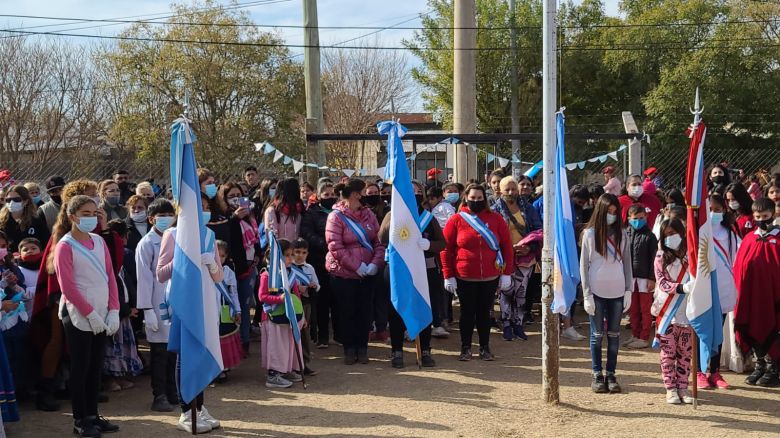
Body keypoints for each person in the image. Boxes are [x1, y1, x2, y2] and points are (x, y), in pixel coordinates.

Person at [156, 194, 223, 434]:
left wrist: (212, 265)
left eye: (206, 207)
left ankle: (200, 407)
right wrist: (183, 260)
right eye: (199, 207)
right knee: (186, 355)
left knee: (202, 352)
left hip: (206, 302)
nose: (203, 212)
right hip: (183, 302)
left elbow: (219, 277)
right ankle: (186, 411)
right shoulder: (172, 235)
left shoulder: (209, 234)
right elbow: (161, 274)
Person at [54, 195, 121, 437]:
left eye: (94, 212)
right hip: (78, 314)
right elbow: (68, 287)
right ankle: (80, 419)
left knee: (95, 367)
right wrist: (90, 314)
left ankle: (93, 415)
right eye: (85, 213)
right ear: (73, 217)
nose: (91, 218)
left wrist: (113, 309)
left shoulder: (99, 241)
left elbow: (110, 275)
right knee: (80, 368)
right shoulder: (65, 245)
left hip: (102, 311)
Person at [441, 183, 513, 361]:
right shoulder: (456, 220)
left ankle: (484, 347)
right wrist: (448, 275)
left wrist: (507, 273)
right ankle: (465, 347)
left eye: (479, 198)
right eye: (473, 198)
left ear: (484, 199)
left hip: (490, 275)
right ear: (466, 198)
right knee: (467, 313)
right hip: (464, 276)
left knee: (484, 313)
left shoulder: (496, 219)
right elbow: (446, 249)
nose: (476, 201)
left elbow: (507, 247)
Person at [378, 181, 443, 368]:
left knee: (422, 308)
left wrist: (429, 245)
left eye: (416, 192)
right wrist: (393, 217)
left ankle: (425, 350)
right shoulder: (392, 215)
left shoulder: (428, 219)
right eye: (408, 191)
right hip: (398, 271)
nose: (412, 195)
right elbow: (381, 238)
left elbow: (442, 243)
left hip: (424, 270)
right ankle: (396, 351)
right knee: (397, 310)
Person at [325, 178, 385, 364]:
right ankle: (349, 348)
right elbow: (335, 247)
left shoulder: (369, 215)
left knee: (364, 312)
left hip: (368, 274)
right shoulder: (335, 217)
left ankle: (362, 347)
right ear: (355, 195)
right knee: (347, 312)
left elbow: (379, 242)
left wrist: (375, 264)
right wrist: (356, 266)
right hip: (344, 274)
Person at [580, 194, 632, 393]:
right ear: (601, 212)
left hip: (617, 291)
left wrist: (629, 289)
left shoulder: (623, 233)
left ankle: (611, 373)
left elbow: (627, 263)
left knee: (614, 334)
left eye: (615, 212)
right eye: (608, 212)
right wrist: (586, 294)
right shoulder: (590, 234)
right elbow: (583, 266)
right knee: (596, 335)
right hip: (596, 291)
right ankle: (596, 373)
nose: (612, 215)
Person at [135, 198, 178, 412]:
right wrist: (147, 309)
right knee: (160, 352)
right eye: (161, 216)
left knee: (173, 352)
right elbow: (143, 278)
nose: (166, 220)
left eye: (170, 215)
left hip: (175, 302)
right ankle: (159, 395)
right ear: (151, 219)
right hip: (156, 303)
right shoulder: (146, 243)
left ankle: (172, 390)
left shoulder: (177, 237)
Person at [734, 197, 780, 387]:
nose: (762, 219)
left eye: (766, 216)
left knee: (772, 326)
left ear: (773, 214)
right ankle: (759, 365)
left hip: (773, 296)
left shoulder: (778, 239)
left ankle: (773, 367)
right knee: (751, 325)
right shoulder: (749, 239)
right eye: (758, 216)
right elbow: (739, 267)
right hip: (750, 296)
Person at [492, 176, 541, 342]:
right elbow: (491, 235)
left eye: (514, 188)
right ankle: (506, 324)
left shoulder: (528, 209)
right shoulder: (494, 211)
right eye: (507, 189)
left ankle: (518, 324)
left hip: (525, 258)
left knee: (521, 292)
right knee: (506, 291)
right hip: (503, 258)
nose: (511, 192)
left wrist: (529, 247)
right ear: (500, 191)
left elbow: (538, 230)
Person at [652, 217, 694, 404]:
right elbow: (661, 282)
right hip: (667, 312)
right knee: (668, 353)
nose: (671, 237)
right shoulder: (661, 256)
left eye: (673, 233)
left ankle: (683, 387)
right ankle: (670, 388)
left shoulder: (691, 255)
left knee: (685, 354)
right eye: (666, 235)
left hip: (687, 313)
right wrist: (680, 288)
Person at [702, 193, 740, 387]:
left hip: (723, 288)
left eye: (717, 210)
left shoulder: (730, 233)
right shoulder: (699, 232)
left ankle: (714, 372)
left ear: (724, 211)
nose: (713, 213)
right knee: (703, 332)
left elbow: (737, 259)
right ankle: (700, 370)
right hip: (703, 289)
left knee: (718, 333)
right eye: (709, 210)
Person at [258, 238, 305, 388]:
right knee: (277, 346)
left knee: (289, 344)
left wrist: (301, 315)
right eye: (287, 255)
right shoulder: (267, 275)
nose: (291, 258)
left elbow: (296, 295)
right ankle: (273, 374)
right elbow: (262, 296)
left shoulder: (290, 274)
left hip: (289, 317)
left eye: (292, 255)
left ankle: (286, 369)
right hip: (274, 317)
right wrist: (279, 298)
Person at [103, 219, 143, 392]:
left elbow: (130, 285)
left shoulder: (123, 259)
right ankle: (109, 378)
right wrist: (125, 309)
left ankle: (121, 375)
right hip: (113, 312)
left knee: (123, 346)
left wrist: (133, 306)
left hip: (125, 310)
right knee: (111, 347)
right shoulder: (109, 263)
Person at [219, 182, 260, 354]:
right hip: (230, 268)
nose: (236, 199)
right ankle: (230, 343)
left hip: (248, 267)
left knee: (244, 306)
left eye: (239, 195)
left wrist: (258, 253)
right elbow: (229, 239)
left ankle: (244, 342)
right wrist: (235, 219)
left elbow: (255, 238)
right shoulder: (223, 218)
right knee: (229, 306)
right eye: (231, 196)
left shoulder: (249, 216)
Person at [300, 182, 338, 349]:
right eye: (326, 195)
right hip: (319, 260)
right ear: (319, 196)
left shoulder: (339, 211)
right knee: (321, 301)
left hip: (338, 260)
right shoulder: (312, 213)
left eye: (332, 194)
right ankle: (322, 336)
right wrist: (326, 244)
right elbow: (307, 233)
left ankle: (339, 334)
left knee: (337, 299)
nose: (330, 198)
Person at [0, 231, 30, 401]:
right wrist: (2, 284)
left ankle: (20, 389)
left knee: (19, 355)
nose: (1, 250)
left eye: (3, 246)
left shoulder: (12, 267)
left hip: (17, 318)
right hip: (3, 320)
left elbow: (24, 292)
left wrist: (14, 284)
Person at [624, 204, 658, 349]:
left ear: (646, 217)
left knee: (645, 309)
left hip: (645, 278)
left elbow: (654, 259)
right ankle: (635, 334)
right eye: (635, 218)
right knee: (633, 309)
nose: (638, 221)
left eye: (641, 218)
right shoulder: (625, 234)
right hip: (631, 277)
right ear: (629, 218)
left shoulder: (650, 236)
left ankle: (644, 337)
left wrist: (652, 278)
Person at [214, 240, 243, 382]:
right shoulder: (203, 271)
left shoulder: (228, 272)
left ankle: (223, 368)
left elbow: (234, 293)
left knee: (224, 338)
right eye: (216, 255)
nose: (219, 259)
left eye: (222, 256)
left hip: (225, 310)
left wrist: (237, 310)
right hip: (210, 311)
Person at [291, 238, 319, 376]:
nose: (300, 255)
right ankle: (293, 363)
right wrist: (297, 288)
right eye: (297, 252)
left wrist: (313, 286)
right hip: (293, 303)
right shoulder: (288, 268)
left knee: (305, 334)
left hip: (306, 304)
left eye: (303, 252)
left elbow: (317, 285)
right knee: (292, 333)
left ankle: (304, 363)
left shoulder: (310, 268)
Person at [0, 185, 50, 252]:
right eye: (8, 200)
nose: (11, 203)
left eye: (16, 199)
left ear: (26, 201)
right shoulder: (1, 222)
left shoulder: (36, 221)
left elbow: (47, 243)